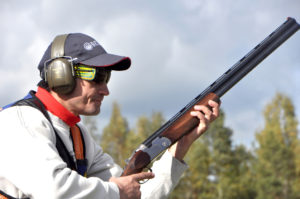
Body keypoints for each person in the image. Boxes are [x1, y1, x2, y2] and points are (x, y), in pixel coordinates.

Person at [0, 33, 220, 199]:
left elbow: (135, 192)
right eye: (96, 77)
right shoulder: (18, 121)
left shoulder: (78, 135)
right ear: (60, 75)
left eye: (107, 78)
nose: (105, 90)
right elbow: (54, 189)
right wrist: (116, 191)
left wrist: (179, 147)